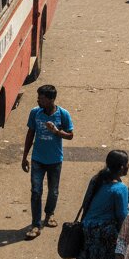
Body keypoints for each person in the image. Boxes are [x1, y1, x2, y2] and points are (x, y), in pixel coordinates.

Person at [65, 150, 129, 259]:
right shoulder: (120, 188)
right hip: (105, 233)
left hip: (88, 228)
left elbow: (87, 203)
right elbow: (122, 217)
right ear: (122, 167)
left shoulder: (97, 179)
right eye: (127, 163)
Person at [20, 84, 75, 240]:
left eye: (42, 99)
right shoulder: (35, 113)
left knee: (53, 191)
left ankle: (49, 214)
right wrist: (24, 156)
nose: (38, 101)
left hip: (55, 160)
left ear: (51, 100)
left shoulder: (63, 114)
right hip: (37, 159)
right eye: (38, 98)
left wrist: (56, 132)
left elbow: (70, 135)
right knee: (36, 192)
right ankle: (36, 224)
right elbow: (30, 134)